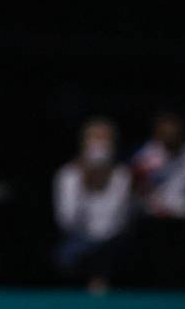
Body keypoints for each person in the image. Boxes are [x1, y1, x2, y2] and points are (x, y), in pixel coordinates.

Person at [52, 117, 132, 291]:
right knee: (67, 255)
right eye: (95, 138)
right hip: (77, 242)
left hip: (111, 244)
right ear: (83, 143)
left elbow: (118, 222)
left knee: (115, 253)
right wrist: (84, 184)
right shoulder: (68, 175)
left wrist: (103, 180)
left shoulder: (122, 175)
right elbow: (67, 221)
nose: (100, 145)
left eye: (105, 139)